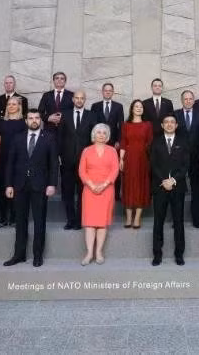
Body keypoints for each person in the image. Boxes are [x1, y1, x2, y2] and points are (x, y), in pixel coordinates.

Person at [3, 109, 59, 268]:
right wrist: (8, 184)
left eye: (37, 118)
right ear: (26, 121)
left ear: (40, 120)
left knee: (39, 221)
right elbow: (10, 163)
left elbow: (54, 163)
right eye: (31, 118)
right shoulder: (18, 138)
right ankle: (19, 255)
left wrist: (52, 184)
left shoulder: (49, 137)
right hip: (20, 185)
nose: (34, 120)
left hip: (40, 185)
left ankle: (37, 255)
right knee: (20, 221)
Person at [150, 114, 189, 266]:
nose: (169, 124)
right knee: (158, 221)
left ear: (176, 125)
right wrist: (164, 181)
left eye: (172, 122)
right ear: (162, 125)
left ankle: (179, 254)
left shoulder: (183, 142)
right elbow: (153, 164)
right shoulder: (155, 142)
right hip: (160, 187)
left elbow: (185, 165)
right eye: (166, 122)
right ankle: (157, 254)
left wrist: (173, 180)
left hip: (177, 187)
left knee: (178, 221)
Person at [78, 124, 119, 265]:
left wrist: (104, 184)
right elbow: (82, 171)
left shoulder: (112, 151)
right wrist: (91, 185)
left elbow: (115, 170)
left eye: (104, 133)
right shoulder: (86, 151)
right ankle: (89, 253)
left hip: (106, 189)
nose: (101, 135)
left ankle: (99, 252)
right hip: (89, 189)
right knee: (90, 223)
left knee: (102, 223)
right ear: (93, 135)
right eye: (98, 132)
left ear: (107, 136)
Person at [59, 90, 99, 230]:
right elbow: (60, 136)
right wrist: (59, 156)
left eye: (82, 98)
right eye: (77, 98)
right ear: (73, 99)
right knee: (68, 192)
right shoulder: (65, 114)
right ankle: (70, 220)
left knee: (84, 192)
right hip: (67, 160)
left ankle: (80, 220)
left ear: (85, 100)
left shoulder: (92, 115)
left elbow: (95, 139)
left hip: (86, 161)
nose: (79, 100)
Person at [175, 90, 199, 228]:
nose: (188, 101)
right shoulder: (175, 114)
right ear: (182, 100)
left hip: (196, 157)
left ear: (194, 100)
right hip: (179, 157)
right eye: (185, 99)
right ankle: (177, 219)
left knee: (196, 189)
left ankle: (196, 219)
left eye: (190, 99)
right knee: (178, 190)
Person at [120, 100, 153, 228]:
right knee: (128, 186)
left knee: (141, 186)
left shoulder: (148, 125)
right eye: (136, 106)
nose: (139, 108)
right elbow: (123, 142)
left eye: (141, 107)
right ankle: (128, 218)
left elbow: (150, 143)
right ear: (132, 109)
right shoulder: (125, 125)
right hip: (128, 159)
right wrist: (121, 159)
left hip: (143, 159)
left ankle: (137, 218)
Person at [0, 96, 26, 227]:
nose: (11, 106)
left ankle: (14, 218)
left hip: (18, 159)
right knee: (1, 188)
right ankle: (3, 218)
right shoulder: (1, 121)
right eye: (9, 104)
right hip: (2, 158)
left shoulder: (23, 122)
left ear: (19, 106)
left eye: (14, 104)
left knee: (15, 188)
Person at [90, 83, 124, 149]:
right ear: (102, 92)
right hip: (98, 140)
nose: (108, 92)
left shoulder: (119, 106)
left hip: (113, 141)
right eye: (106, 90)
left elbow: (121, 125)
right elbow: (92, 125)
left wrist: (118, 141)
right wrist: (93, 140)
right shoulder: (95, 106)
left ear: (113, 92)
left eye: (110, 91)